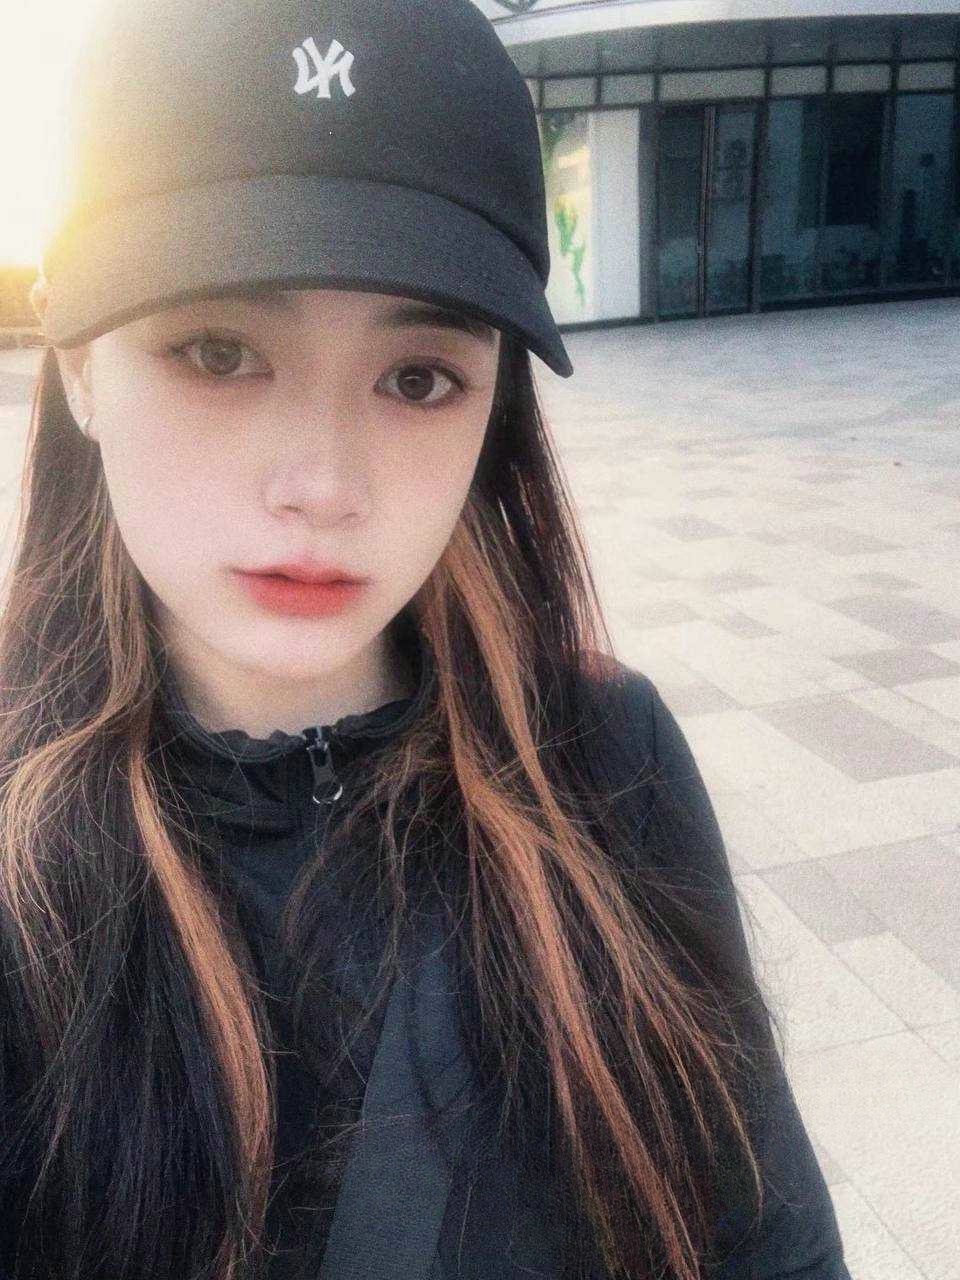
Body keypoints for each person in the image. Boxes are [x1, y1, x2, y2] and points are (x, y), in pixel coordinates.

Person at [1, 1, 850, 1278]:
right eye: (218, 351)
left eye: (417, 378)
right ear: (77, 364)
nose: (323, 484)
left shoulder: (605, 760)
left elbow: (765, 1236)